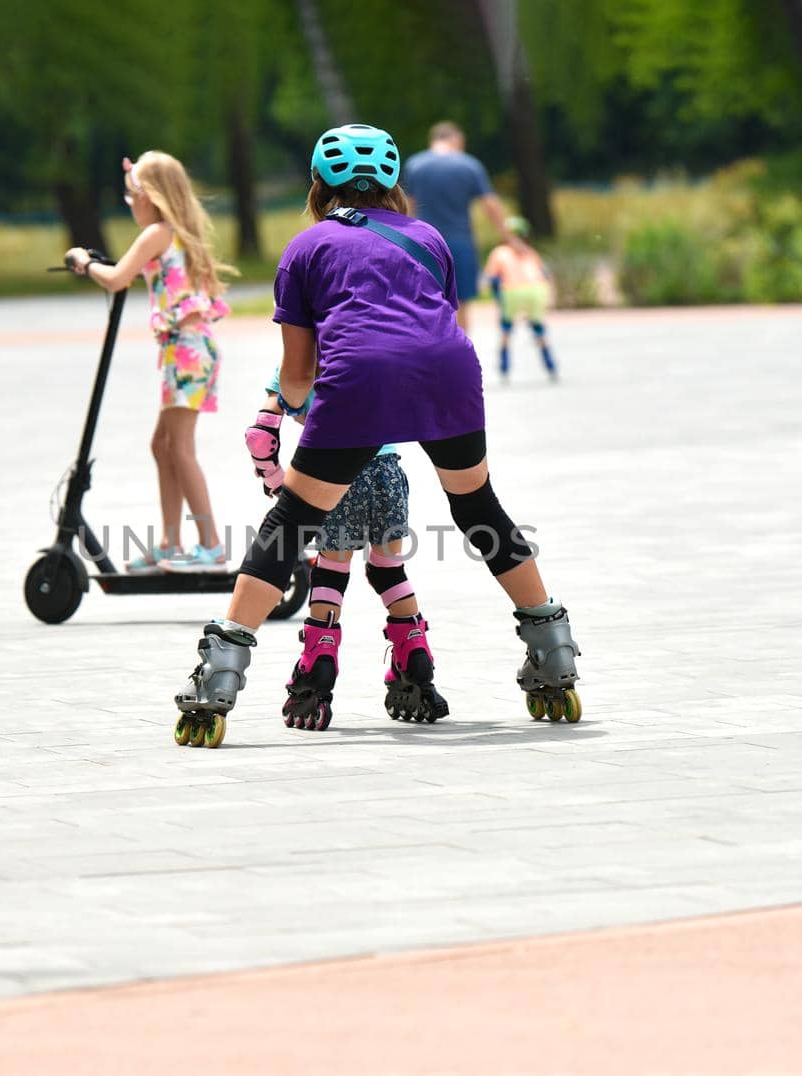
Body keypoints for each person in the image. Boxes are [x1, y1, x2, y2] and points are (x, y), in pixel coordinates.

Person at [171, 123, 582, 749]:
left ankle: (220, 674)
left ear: (318, 185)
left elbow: (297, 372)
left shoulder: (306, 249)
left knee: (292, 524)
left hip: (359, 380)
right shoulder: (429, 238)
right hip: (449, 375)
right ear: (393, 184)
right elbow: (432, 322)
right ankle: (553, 654)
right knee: (478, 507)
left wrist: (306, 425)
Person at [245, 370, 448, 731]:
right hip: (388, 472)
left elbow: (260, 437)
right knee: (388, 570)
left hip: (334, 471)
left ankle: (318, 663)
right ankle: (415, 653)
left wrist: (276, 482)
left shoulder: (301, 360)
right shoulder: (365, 352)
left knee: (331, 571)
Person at [66, 152, 232, 574]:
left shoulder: (158, 233)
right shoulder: (176, 232)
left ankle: (210, 543)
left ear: (149, 196)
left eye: (129, 196)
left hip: (187, 350)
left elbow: (118, 277)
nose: (130, 204)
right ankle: (169, 542)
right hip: (188, 349)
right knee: (162, 445)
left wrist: (84, 263)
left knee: (179, 447)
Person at [402, 120, 514, 334]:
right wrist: (507, 236)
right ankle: (460, 356)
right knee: (460, 303)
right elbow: (490, 204)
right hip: (460, 242)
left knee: (425, 302)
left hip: (424, 244)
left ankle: (429, 355)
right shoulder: (468, 165)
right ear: (457, 138)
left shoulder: (415, 165)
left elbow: (408, 206)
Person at [485, 216, 558, 382]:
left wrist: (497, 297)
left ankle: (504, 367)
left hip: (512, 291)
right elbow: (544, 274)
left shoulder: (500, 252)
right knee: (538, 328)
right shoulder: (531, 252)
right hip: (536, 290)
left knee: (506, 329)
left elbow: (491, 278)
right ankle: (550, 365)